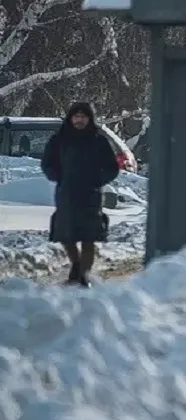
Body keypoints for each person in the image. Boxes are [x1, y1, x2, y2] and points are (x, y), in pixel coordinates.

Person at [39, 102, 119, 287]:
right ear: (71, 118)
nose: (80, 120)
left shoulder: (98, 139)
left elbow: (112, 167)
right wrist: (58, 177)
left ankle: (84, 275)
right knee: (66, 234)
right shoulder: (59, 139)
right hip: (66, 193)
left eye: (84, 116)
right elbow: (47, 163)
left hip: (91, 195)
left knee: (88, 236)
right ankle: (76, 264)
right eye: (76, 116)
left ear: (89, 119)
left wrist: (97, 180)